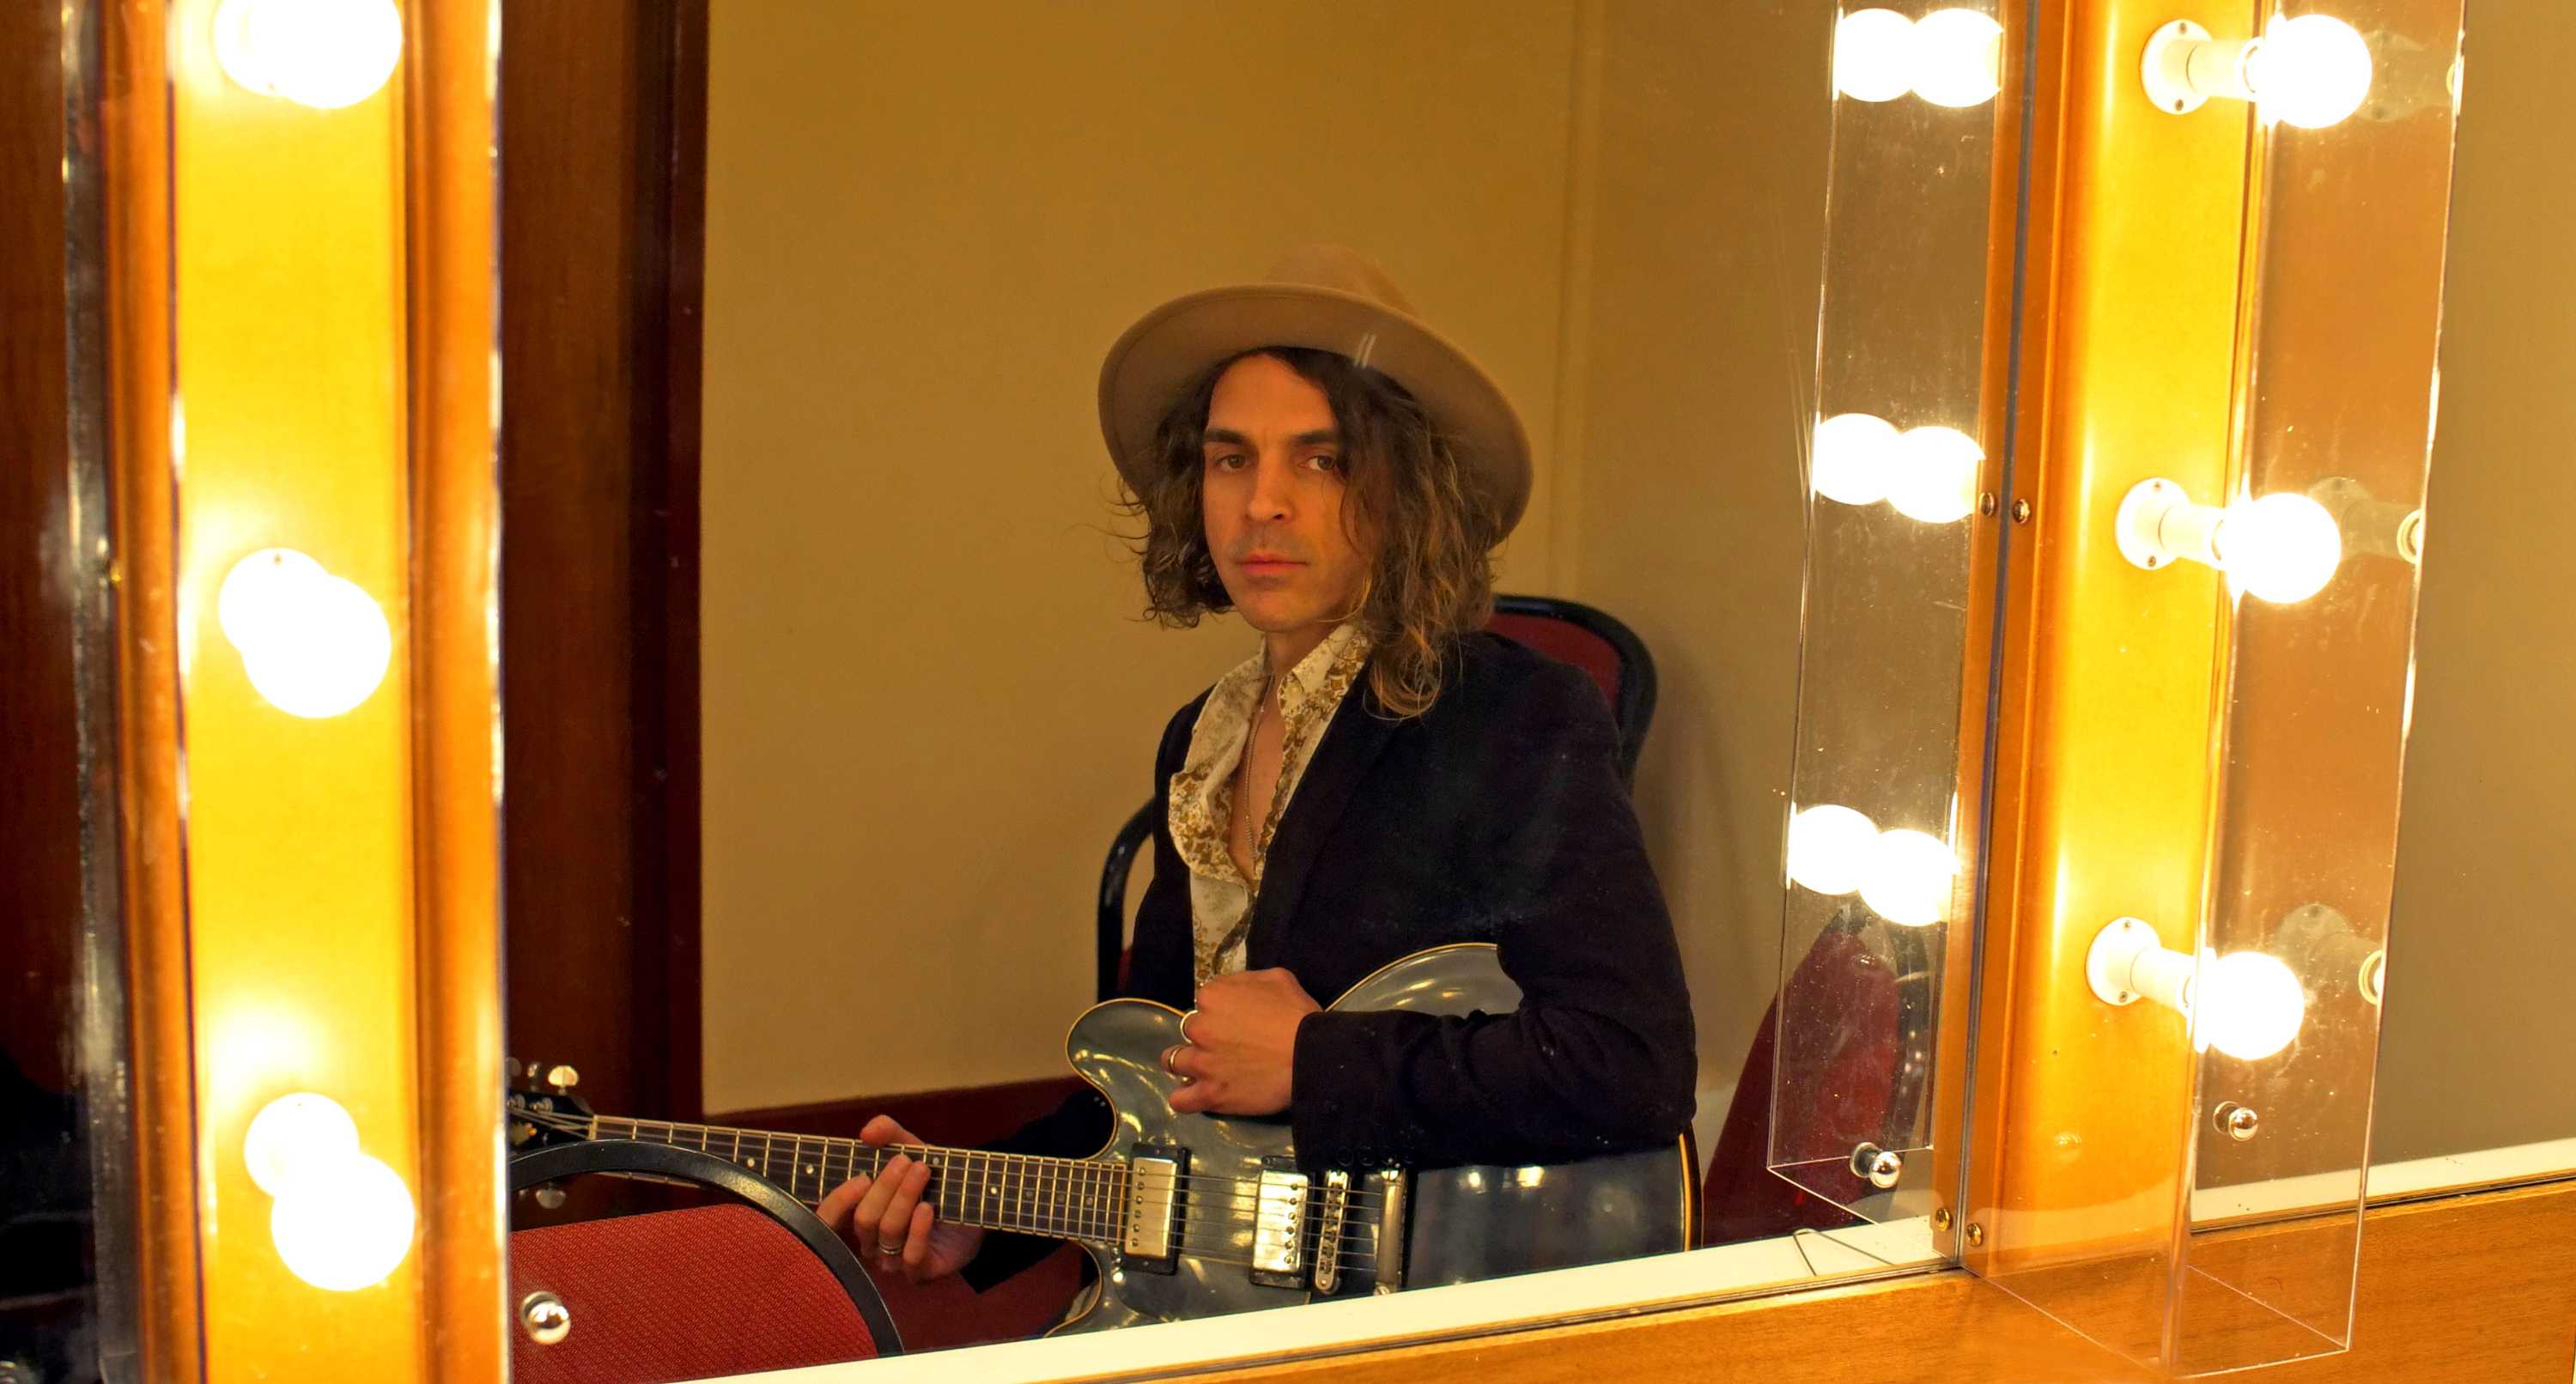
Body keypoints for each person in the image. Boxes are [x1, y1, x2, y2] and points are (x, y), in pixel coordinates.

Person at [819, 246, 1696, 1294]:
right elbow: (1154, 1075)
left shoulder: (1512, 713)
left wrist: (1317, 1060)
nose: (1263, 504)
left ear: (1406, 492)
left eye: (1322, 461)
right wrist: (983, 1212)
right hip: (1238, 1300)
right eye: (1232, 460)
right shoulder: (1206, 734)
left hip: (1437, 1311)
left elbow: (1632, 1067)